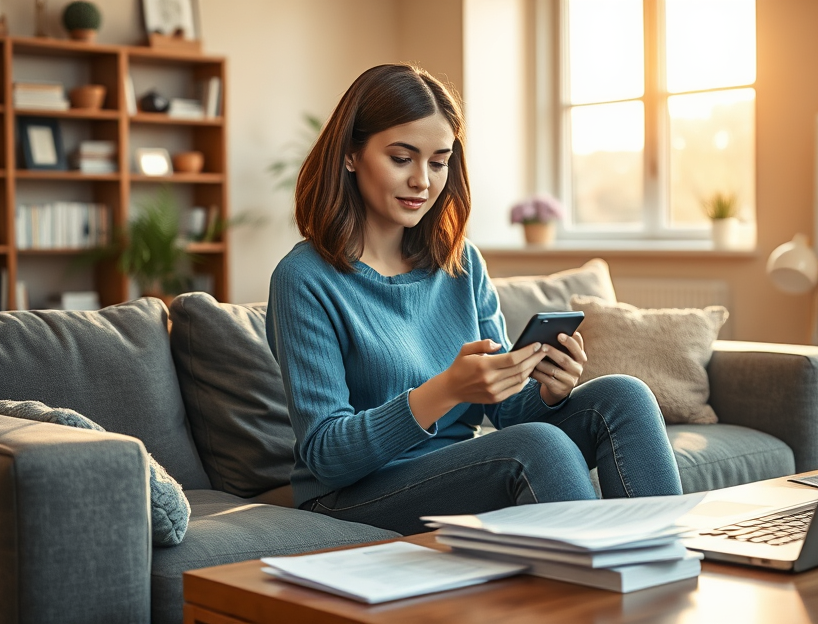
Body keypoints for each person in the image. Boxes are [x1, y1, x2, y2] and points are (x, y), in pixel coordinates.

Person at [266, 64, 682, 536]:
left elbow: (507, 411)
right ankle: (606, 594)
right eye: (402, 158)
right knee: (539, 448)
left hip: (453, 471)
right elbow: (327, 455)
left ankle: (665, 569)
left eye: (438, 162)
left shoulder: (460, 263)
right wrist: (447, 389)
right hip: (350, 493)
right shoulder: (303, 279)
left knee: (624, 396)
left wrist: (548, 389)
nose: (423, 180)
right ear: (350, 156)